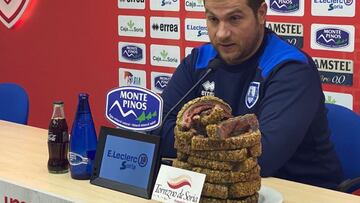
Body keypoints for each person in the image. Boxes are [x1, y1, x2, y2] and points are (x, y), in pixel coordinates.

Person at [158, 0, 343, 189]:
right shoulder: (199, 60)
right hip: (216, 187)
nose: (222, 33)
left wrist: (191, 139)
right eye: (213, 19)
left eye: (235, 18)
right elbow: (159, 130)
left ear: (261, 13)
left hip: (299, 189)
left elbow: (264, 156)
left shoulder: (290, 67)